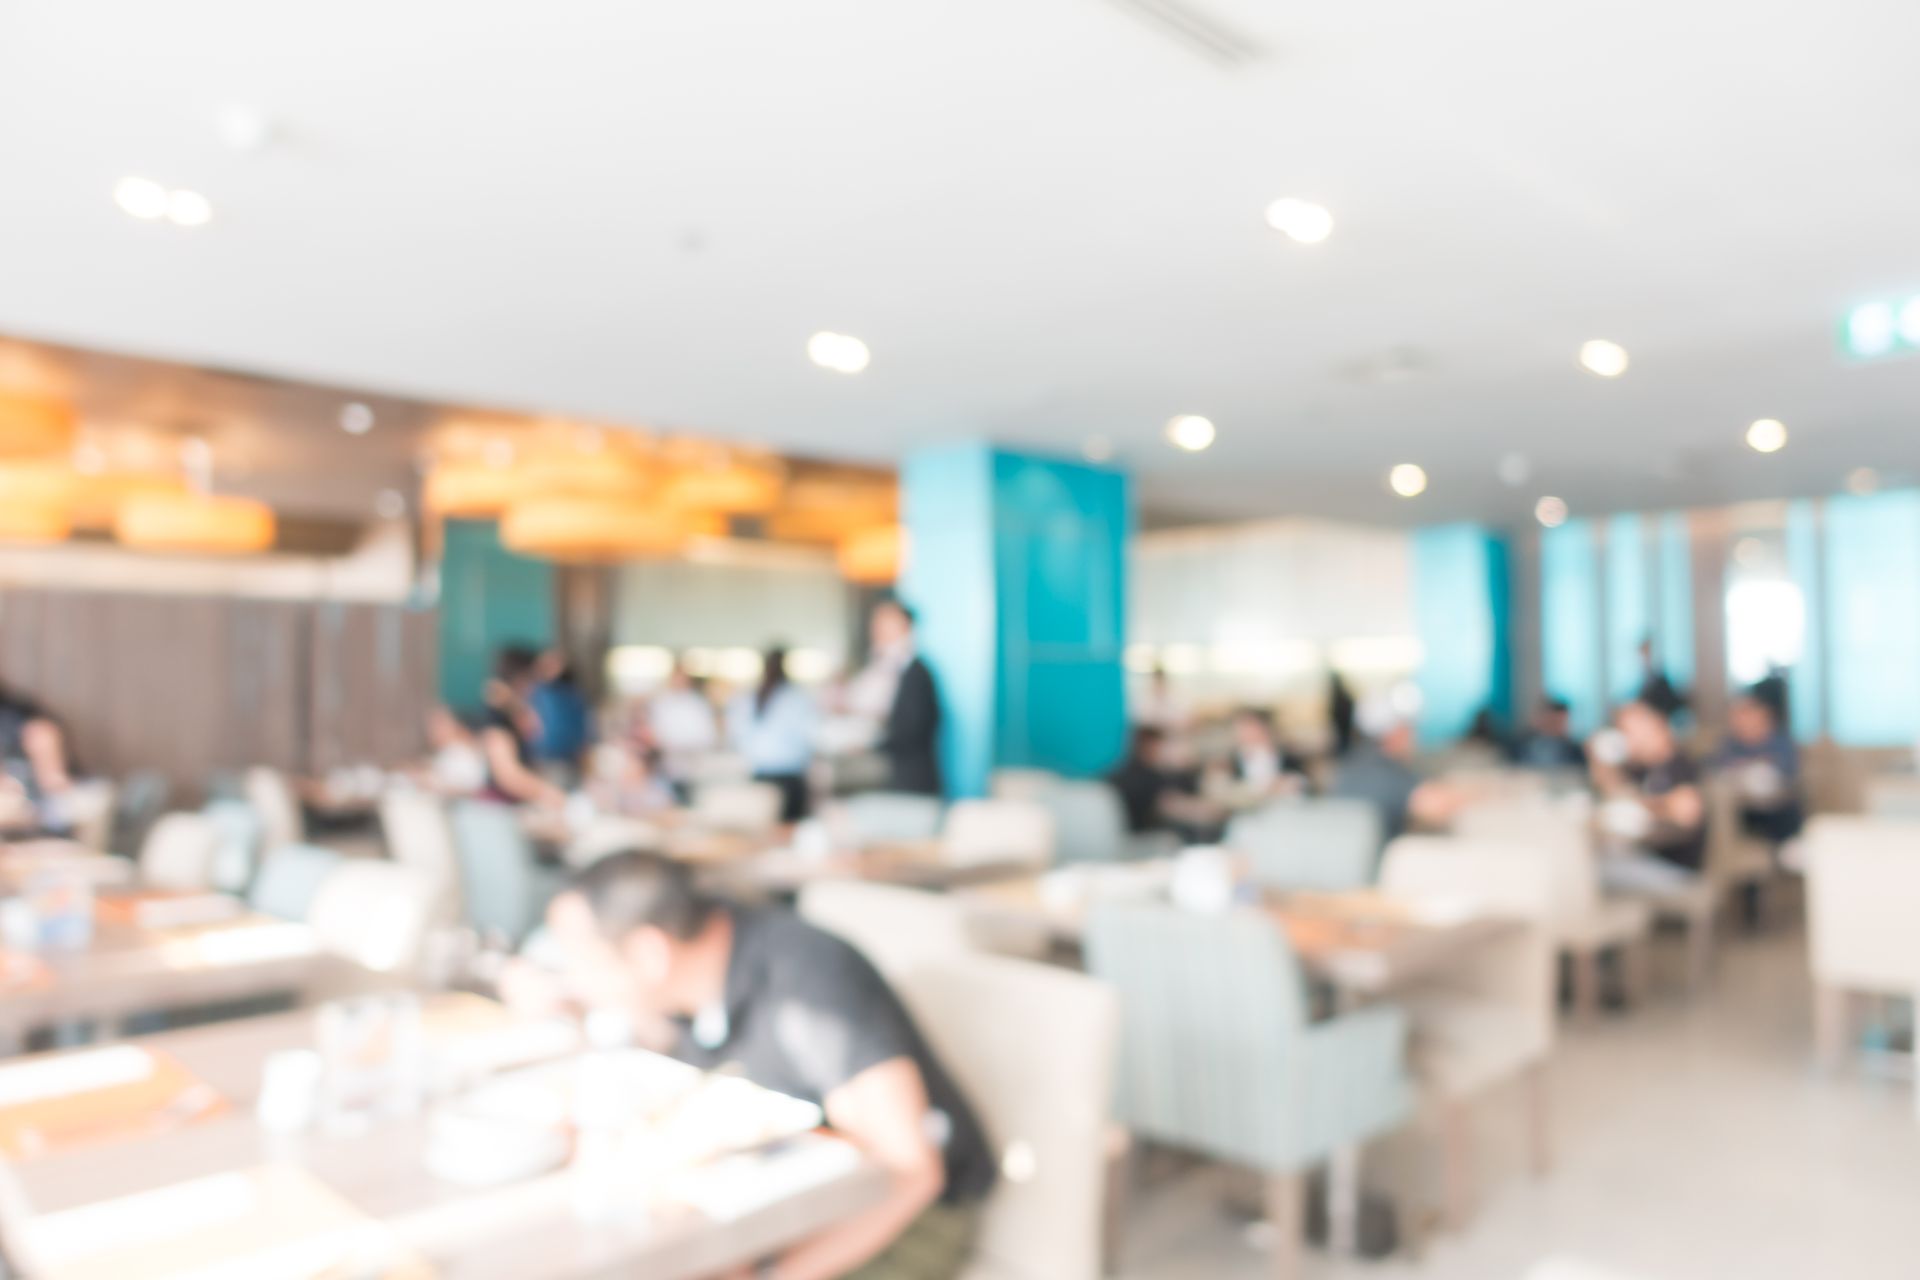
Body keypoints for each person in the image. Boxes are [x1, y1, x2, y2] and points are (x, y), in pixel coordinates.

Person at [509, 852, 995, 1280]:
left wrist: (770, 1275)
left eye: (581, 962)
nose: (574, 979)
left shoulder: (808, 990)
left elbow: (913, 1172)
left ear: (648, 953)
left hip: (914, 1216)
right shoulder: (699, 971)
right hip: (791, 1202)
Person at [1591, 700, 1707, 890]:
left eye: (1629, 731)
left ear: (1656, 726)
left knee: (1591, 872)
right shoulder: (1644, 769)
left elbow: (1688, 812)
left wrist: (1647, 805)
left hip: (1677, 870)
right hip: (1647, 857)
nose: (1626, 738)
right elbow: (1618, 794)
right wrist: (1601, 764)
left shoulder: (1679, 764)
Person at [1329, 695, 1460, 841]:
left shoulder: (1354, 763)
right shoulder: (1385, 771)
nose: (1413, 737)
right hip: (1377, 859)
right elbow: (1435, 806)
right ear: (1395, 733)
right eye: (1409, 729)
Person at [728, 647, 817, 822]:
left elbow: (737, 735)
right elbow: (811, 736)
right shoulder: (796, 698)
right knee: (789, 834)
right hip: (790, 777)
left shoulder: (747, 697)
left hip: (760, 774)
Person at [865, 600, 942, 797]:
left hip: (912, 780)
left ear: (904, 626)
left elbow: (912, 729)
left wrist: (869, 744)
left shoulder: (917, 673)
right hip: (896, 775)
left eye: (884, 624)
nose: (877, 630)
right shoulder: (886, 670)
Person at [479, 647, 566, 808]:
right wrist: (546, 792)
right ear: (520, 677)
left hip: (514, 805)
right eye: (533, 677)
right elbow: (507, 775)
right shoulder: (497, 719)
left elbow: (534, 731)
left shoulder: (519, 711)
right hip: (498, 810)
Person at [1712, 692, 1803, 843]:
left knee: (1787, 809)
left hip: (1776, 806)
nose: (1740, 722)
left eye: (1747, 715)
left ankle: (1787, 846)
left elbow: (1788, 771)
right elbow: (1715, 766)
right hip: (1741, 807)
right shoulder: (1730, 743)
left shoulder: (1780, 740)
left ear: (1763, 717)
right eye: (1737, 716)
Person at [1105, 725, 1220, 842]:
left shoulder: (1158, 771)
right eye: (1163, 744)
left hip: (1147, 833)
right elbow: (1166, 805)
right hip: (1141, 835)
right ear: (1149, 745)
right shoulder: (1136, 776)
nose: (1165, 749)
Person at [646, 658, 719, 800]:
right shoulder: (660, 703)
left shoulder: (697, 705)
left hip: (692, 768)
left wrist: (678, 743)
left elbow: (707, 736)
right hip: (665, 767)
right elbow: (655, 734)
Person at [527, 650, 591, 782]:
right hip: (543, 760)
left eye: (555, 664)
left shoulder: (572, 695)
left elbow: (582, 729)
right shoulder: (537, 693)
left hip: (570, 759)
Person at [1225, 707, 1302, 797]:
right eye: (1242, 728)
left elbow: (1302, 779)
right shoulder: (1231, 760)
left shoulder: (1287, 754)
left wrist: (1288, 782)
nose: (1246, 732)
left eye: (1251, 726)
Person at [1510, 697, 1587, 772]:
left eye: (1561, 722)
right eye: (1553, 721)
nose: (1557, 726)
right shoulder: (1521, 745)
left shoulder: (1574, 751)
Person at [1635, 637, 1687, 720]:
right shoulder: (1641, 680)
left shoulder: (1662, 679)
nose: (1644, 658)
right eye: (1642, 653)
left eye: (1647, 652)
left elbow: (1673, 703)